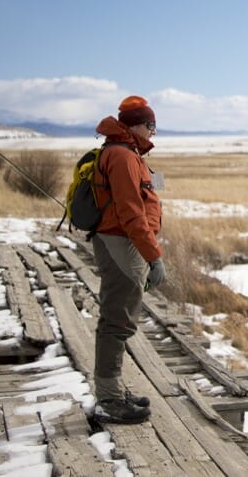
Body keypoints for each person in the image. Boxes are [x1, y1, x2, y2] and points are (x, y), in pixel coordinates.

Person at [90, 94, 166, 424]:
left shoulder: (128, 153)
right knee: (117, 320)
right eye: (151, 126)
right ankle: (108, 399)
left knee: (119, 317)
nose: (154, 133)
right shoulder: (121, 156)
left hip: (125, 244)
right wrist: (154, 257)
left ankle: (113, 391)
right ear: (137, 125)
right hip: (121, 243)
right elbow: (131, 212)